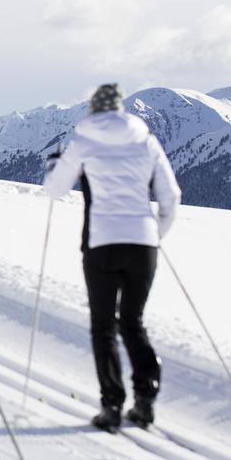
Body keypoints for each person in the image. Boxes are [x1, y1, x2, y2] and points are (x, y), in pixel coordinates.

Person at [43, 83, 181, 431]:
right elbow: (171, 195)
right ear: (121, 109)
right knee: (132, 321)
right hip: (143, 245)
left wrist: (54, 164)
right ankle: (146, 398)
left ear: (94, 109)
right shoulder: (146, 141)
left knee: (103, 326)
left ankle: (112, 406)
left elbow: (55, 190)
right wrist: (154, 234)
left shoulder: (84, 141)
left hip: (102, 243)